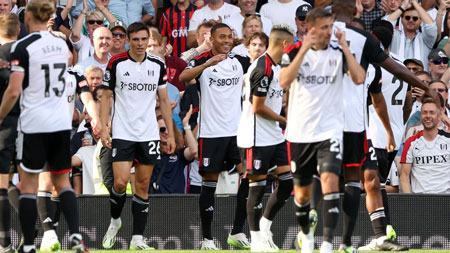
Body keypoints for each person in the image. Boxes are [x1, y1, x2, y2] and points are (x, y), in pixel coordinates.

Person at [0, 1, 100, 252]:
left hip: (34, 124)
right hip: (59, 125)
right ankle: (76, 237)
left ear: (28, 18)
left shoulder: (23, 46)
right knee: (62, 182)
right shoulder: (60, 44)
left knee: (28, 186)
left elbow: (13, 90)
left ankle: (29, 245)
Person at [279, 7, 366, 253]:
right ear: (310, 28)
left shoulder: (338, 53)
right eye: (325, 27)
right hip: (300, 132)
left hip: (330, 131)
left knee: (330, 180)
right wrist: (305, 47)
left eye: (331, 27)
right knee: (302, 195)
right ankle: (307, 236)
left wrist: (346, 48)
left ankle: (327, 244)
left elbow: (359, 78)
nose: (329, 32)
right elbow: (284, 81)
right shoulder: (294, 51)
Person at [99, 22, 175, 250]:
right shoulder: (117, 62)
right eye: (136, 40)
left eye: (144, 39)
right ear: (128, 40)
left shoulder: (158, 65)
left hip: (148, 133)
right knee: (120, 183)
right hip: (123, 132)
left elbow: (163, 100)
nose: (141, 44)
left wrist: (169, 133)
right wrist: (104, 127)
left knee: (142, 186)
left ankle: (137, 239)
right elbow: (105, 96)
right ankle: (115, 220)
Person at [179, 23, 251, 250]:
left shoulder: (240, 61)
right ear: (212, 39)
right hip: (212, 133)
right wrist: (208, 62)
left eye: (230, 37)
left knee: (247, 175)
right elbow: (183, 76)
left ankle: (238, 231)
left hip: (237, 133)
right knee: (210, 183)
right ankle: (208, 239)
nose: (227, 40)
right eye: (222, 37)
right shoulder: (202, 62)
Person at [237, 25, 294, 252]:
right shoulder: (262, 67)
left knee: (287, 182)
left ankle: (265, 225)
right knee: (257, 188)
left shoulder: (277, 67)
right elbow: (258, 107)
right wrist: (285, 120)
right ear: (284, 45)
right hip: (255, 135)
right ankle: (256, 240)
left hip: (273, 135)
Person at [400, 96, 450, 193]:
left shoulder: (448, 139)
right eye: (424, 112)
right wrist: (410, 202)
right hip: (420, 200)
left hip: (446, 199)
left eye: (432, 112)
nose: (428, 116)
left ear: (439, 115)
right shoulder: (411, 142)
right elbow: (404, 175)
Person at [0, 12, 19, 253]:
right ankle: (34, 232)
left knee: (2, 185)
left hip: (5, 124)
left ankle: (4, 244)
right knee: (24, 183)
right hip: (32, 125)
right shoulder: (29, 53)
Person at [387, 0, 437, 69]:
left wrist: (415, 3)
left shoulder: (425, 39)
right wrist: (403, 7)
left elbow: (431, 27)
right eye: (407, 17)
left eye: (415, 18)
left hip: (420, 78)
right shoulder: (394, 36)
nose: (411, 20)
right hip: (397, 77)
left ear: (420, 21)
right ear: (401, 19)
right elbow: (384, 25)